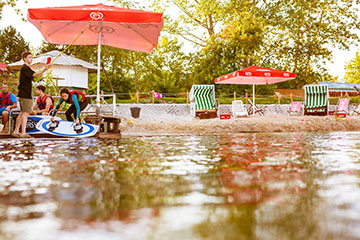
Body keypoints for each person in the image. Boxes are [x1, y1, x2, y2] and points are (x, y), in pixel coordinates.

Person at [12, 51, 51, 138]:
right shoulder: (25, 67)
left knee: (22, 113)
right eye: (29, 57)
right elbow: (36, 75)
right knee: (26, 113)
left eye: (31, 57)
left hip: (24, 92)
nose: (31, 59)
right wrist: (45, 69)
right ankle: (23, 132)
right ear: (25, 59)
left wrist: (44, 69)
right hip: (25, 93)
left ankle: (15, 131)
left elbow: (35, 78)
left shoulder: (27, 68)